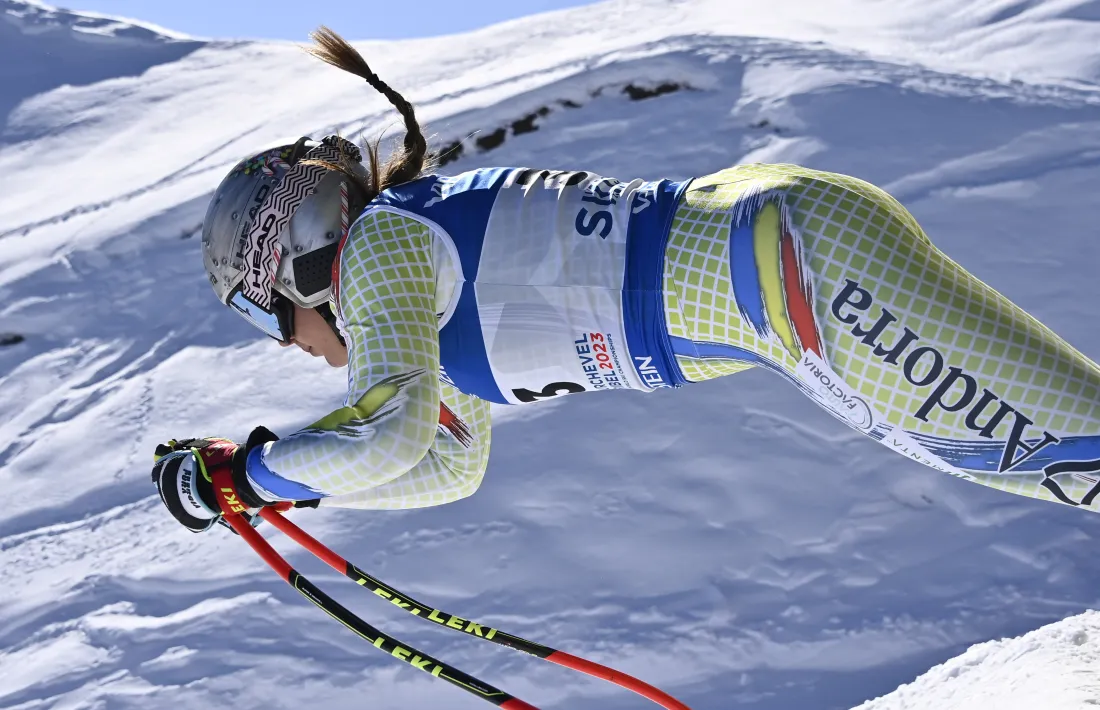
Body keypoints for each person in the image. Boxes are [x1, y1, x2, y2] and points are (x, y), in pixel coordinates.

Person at [152, 27, 1100, 533]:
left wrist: (249, 475)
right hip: (786, 270)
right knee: (1060, 456)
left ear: (296, 263)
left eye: (268, 319)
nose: (292, 348)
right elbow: (443, 465)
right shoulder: (415, 272)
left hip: (794, 280)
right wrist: (273, 485)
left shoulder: (385, 255)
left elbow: (388, 431)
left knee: (1072, 461)